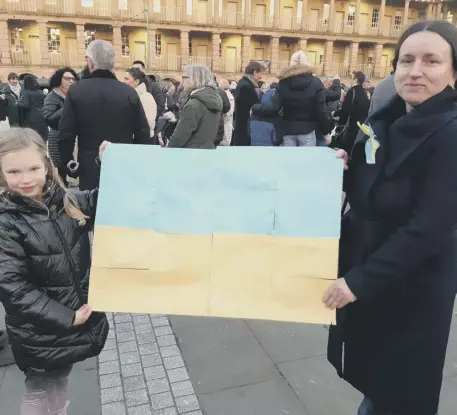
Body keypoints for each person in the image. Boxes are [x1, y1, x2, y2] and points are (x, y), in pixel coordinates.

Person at [324, 20, 457, 415]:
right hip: (376, 274)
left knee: (401, 392)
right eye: (407, 60)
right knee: (378, 384)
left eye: (431, 61)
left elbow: (429, 227)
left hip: (412, 289)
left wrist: (358, 281)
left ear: (453, 73)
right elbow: (376, 190)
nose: (415, 71)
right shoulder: (387, 117)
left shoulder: (450, 132)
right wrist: (342, 170)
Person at [0, 128, 110, 415]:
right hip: (40, 328)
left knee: (56, 381)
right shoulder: (5, 222)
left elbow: (107, 201)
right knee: (39, 388)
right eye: (13, 172)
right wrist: (66, 317)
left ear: (47, 166)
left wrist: (107, 165)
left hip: (68, 323)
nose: (25, 179)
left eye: (33, 168)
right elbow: (12, 286)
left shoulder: (65, 201)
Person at [59, 40, 150, 190]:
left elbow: (66, 132)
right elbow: (142, 132)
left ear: (90, 62)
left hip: (89, 164)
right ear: (112, 63)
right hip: (122, 161)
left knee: (91, 206)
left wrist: (68, 161)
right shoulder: (129, 93)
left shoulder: (77, 91)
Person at [251, 50, 331, 147]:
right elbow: (321, 110)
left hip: (287, 129)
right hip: (308, 130)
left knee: (288, 161)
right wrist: (326, 131)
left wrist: (254, 107)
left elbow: (273, 107)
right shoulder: (316, 83)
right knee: (306, 161)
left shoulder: (283, 82)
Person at [168, 64, 222, 149]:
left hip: (190, 154)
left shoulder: (194, 104)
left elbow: (180, 137)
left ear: (194, 78)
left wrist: (169, 152)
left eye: (184, 77)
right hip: (206, 152)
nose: (182, 82)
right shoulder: (213, 99)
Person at [43, 67, 77, 185]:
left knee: (73, 169)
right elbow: (49, 118)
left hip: (73, 139)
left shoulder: (75, 95)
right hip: (57, 138)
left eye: (73, 79)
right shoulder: (53, 95)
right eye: (67, 78)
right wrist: (67, 106)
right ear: (59, 80)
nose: (71, 81)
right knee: (61, 173)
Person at [333, 71, 370, 153]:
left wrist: (337, 117)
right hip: (361, 127)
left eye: (351, 77)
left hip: (351, 128)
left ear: (355, 79)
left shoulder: (352, 91)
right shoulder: (364, 92)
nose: (350, 79)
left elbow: (345, 110)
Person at [232, 61, 264, 146]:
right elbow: (255, 105)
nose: (261, 77)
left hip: (243, 127)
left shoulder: (244, 83)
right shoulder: (246, 86)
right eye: (260, 73)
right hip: (245, 128)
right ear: (254, 72)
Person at [124, 67, 157, 139]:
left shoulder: (146, 97)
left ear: (136, 81)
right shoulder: (130, 96)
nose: (124, 82)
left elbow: (148, 123)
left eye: (127, 79)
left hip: (142, 140)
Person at [17, 76, 48, 142]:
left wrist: (18, 103)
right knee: (42, 138)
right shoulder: (40, 92)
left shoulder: (26, 92)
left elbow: (25, 105)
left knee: (32, 139)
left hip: (31, 118)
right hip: (41, 117)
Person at [249, 82, 278, 146]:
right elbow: (277, 139)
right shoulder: (275, 116)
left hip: (253, 147)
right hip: (269, 150)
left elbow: (248, 133)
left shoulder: (253, 113)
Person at [219, 78, 235, 146]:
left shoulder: (225, 95)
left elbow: (229, 112)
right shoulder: (230, 95)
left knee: (224, 143)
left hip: (225, 122)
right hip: (227, 123)